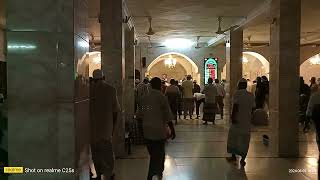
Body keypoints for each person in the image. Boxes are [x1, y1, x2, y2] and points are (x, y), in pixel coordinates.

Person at [138, 77, 175, 180]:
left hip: (147, 130)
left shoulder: (144, 97)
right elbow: (167, 115)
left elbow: (139, 116)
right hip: (159, 131)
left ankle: (157, 172)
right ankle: (154, 173)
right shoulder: (162, 97)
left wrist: (141, 131)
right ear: (160, 85)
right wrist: (172, 130)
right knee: (159, 153)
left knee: (153, 153)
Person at [90, 69, 120, 180]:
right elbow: (115, 111)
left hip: (92, 128)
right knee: (107, 153)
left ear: (93, 79)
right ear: (104, 77)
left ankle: (98, 174)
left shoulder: (88, 90)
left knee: (95, 153)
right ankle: (109, 173)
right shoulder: (111, 89)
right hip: (106, 127)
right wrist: (113, 127)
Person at [226, 78, 255, 167]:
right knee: (244, 139)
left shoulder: (237, 93)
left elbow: (235, 106)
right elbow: (253, 107)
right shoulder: (251, 95)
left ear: (239, 85)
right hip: (246, 120)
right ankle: (243, 159)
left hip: (238, 119)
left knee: (234, 136)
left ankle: (233, 156)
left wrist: (233, 117)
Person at [306, 90, 320, 161]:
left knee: (318, 132)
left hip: (317, 117)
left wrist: (307, 117)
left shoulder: (315, 95)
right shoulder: (314, 95)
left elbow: (310, 107)